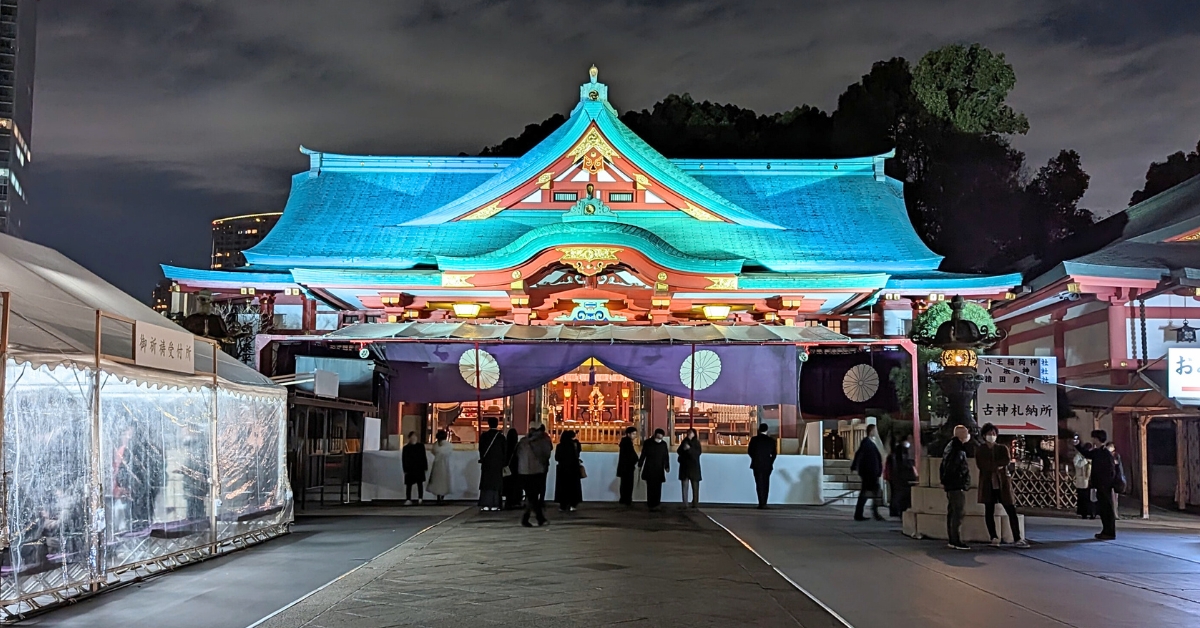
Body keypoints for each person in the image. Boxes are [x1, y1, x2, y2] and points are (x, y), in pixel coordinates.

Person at [976, 423, 1028, 547]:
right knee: (989, 511)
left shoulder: (1002, 448)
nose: (992, 436)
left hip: (1002, 483)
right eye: (989, 434)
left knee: (1011, 510)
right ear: (984, 435)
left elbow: (1005, 460)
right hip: (988, 484)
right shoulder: (980, 449)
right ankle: (993, 537)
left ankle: (1017, 538)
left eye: (994, 434)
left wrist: (994, 466)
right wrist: (996, 466)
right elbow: (982, 465)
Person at [1075, 430, 1117, 539]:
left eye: (1094, 438)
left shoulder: (1104, 453)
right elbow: (1087, 454)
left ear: (1097, 439)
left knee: (1107, 509)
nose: (1093, 440)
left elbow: (1111, 471)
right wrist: (1078, 445)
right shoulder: (1099, 452)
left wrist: (1104, 483)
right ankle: (1106, 531)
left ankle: (1109, 532)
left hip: (1104, 486)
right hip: (1101, 485)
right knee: (1103, 509)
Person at [516, 423, 553, 527]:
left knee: (530, 496)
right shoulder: (543, 440)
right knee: (533, 496)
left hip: (523, 471)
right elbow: (546, 455)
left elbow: (517, 455)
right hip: (536, 471)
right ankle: (538, 518)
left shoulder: (523, 441)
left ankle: (528, 518)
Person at [941, 425, 972, 550]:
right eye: (966, 433)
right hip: (956, 485)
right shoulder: (958, 450)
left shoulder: (950, 447)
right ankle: (956, 540)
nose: (968, 435)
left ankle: (952, 539)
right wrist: (962, 480)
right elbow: (955, 468)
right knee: (958, 513)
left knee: (952, 512)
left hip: (951, 485)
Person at [851, 424, 885, 521]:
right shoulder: (867, 443)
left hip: (871, 472)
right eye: (874, 430)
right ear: (871, 431)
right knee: (868, 493)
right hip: (869, 473)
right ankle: (866, 513)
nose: (876, 432)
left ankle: (868, 512)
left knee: (870, 493)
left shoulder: (870, 443)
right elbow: (860, 455)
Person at [478, 417, 506, 511]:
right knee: (496, 484)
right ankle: (496, 504)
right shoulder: (500, 437)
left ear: (488, 424)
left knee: (486, 484)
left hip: (487, 464)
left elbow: (481, 449)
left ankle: (485, 503)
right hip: (498, 464)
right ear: (497, 424)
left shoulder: (484, 436)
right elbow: (504, 451)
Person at [638, 428, 670, 510]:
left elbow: (665, 456)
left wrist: (667, 466)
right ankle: (651, 503)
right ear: (655, 434)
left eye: (662, 434)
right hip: (649, 467)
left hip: (659, 468)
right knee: (650, 487)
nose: (660, 436)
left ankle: (656, 503)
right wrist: (640, 463)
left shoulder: (663, 444)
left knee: (658, 487)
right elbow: (643, 454)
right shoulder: (648, 443)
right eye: (659, 434)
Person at [886, 434, 917, 517]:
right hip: (901, 477)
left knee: (896, 494)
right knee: (900, 495)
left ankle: (895, 510)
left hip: (897, 476)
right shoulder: (901, 452)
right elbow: (903, 464)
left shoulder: (897, 451)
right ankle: (898, 510)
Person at [748, 424, 777, 509]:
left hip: (757, 464)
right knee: (766, 483)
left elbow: (750, 451)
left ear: (759, 430)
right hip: (767, 465)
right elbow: (774, 454)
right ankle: (764, 502)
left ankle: (760, 502)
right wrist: (770, 462)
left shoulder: (754, 440)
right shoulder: (771, 440)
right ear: (767, 430)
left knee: (759, 483)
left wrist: (755, 458)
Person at [554, 430, 583, 512]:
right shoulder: (575, 445)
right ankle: (573, 504)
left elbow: (557, 458)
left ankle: (563, 504)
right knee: (573, 487)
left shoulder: (560, 446)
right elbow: (578, 453)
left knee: (562, 487)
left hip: (562, 469)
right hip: (573, 468)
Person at [678, 428, 703, 508]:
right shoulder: (684, 442)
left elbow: (697, 453)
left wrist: (689, 449)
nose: (689, 434)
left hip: (693, 467)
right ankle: (685, 503)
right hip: (685, 467)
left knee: (695, 487)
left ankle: (695, 503)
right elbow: (679, 451)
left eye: (691, 433)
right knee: (684, 486)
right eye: (688, 433)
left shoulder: (696, 443)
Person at [427, 429, 453, 504]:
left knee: (436, 481)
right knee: (444, 481)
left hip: (437, 464)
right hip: (445, 464)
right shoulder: (449, 446)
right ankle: (442, 497)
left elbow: (434, 452)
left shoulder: (435, 446)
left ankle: (438, 497)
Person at [401, 432, 428, 505]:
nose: (414, 438)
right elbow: (404, 459)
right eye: (412, 437)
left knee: (420, 484)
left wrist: (425, 467)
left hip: (419, 467)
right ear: (409, 438)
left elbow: (423, 457)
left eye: (415, 437)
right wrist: (405, 469)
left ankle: (420, 498)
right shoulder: (406, 448)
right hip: (410, 468)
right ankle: (408, 499)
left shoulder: (420, 446)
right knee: (409, 485)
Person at [616, 427, 639, 506]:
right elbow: (631, 455)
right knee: (628, 484)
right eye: (633, 434)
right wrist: (636, 460)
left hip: (624, 467)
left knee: (624, 484)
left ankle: (624, 499)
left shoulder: (625, 442)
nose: (635, 436)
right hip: (627, 467)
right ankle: (627, 499)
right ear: (628, 434)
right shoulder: (627, 443)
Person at [1073, 443, 1096, 519]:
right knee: (1083, 497)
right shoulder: (1079, 456)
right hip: (1082, 479)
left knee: (1091, 498)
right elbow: (1076, 464)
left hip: (1090, 479)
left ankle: (1092, 513)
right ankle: (1083, 513)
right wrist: (1085, 461)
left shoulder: (1093, 455)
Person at [503, 428, 522, 510]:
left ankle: (509, 501)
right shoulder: (518, 446)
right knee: (516, 485)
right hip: (517, 468)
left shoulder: (505, 445)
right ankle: (516, 502)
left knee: (508, 485)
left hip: (507, 468)